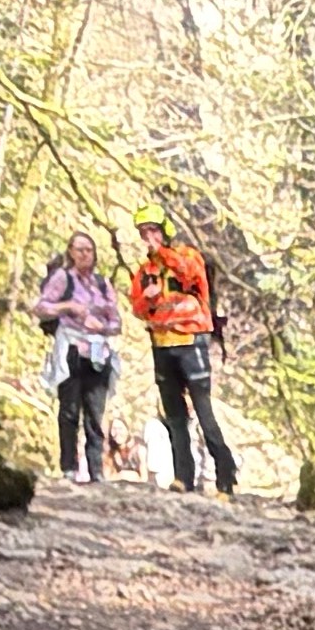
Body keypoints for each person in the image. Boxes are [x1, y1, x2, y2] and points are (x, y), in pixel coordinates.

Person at [126, 212, 236, 494]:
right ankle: (182, 477)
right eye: (143, 232)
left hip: (191, 341)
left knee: (203, 410)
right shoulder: (145, 270)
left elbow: (190, 274)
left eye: (153, 230)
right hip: (162, 345)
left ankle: (225, 475)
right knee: (174, 415)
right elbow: (137, 308)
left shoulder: (187, 255)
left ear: (165, 230)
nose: (148, 237)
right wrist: (146, 300)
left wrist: (161, 252)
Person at [26, 234, 127, 483]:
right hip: (71, 347)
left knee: (95, 412)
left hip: (98, 351)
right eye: (79, 250)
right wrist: (68, 307)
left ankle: (96, 470)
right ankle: (69, 467)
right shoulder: (63, 279)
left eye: (89, 250)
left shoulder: (103, 284)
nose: (85, 255)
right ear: (70, 252)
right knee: (69, 410)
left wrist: (101, 326)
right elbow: (40, 307)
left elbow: (116, 321)